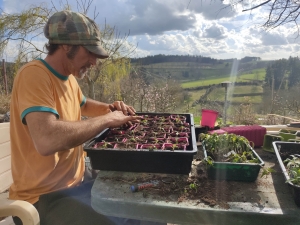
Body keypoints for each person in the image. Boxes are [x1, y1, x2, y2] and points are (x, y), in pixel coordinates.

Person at [9, 10, 164, 225]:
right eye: (90, 52)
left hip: (79, 184)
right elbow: (46, 140)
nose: (94, 61)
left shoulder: (69, 78)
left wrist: (111, 109)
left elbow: (84, 104)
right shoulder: (34, 75)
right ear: (65, 45)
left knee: (149, 210)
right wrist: (107, 120)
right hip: (43, 199)